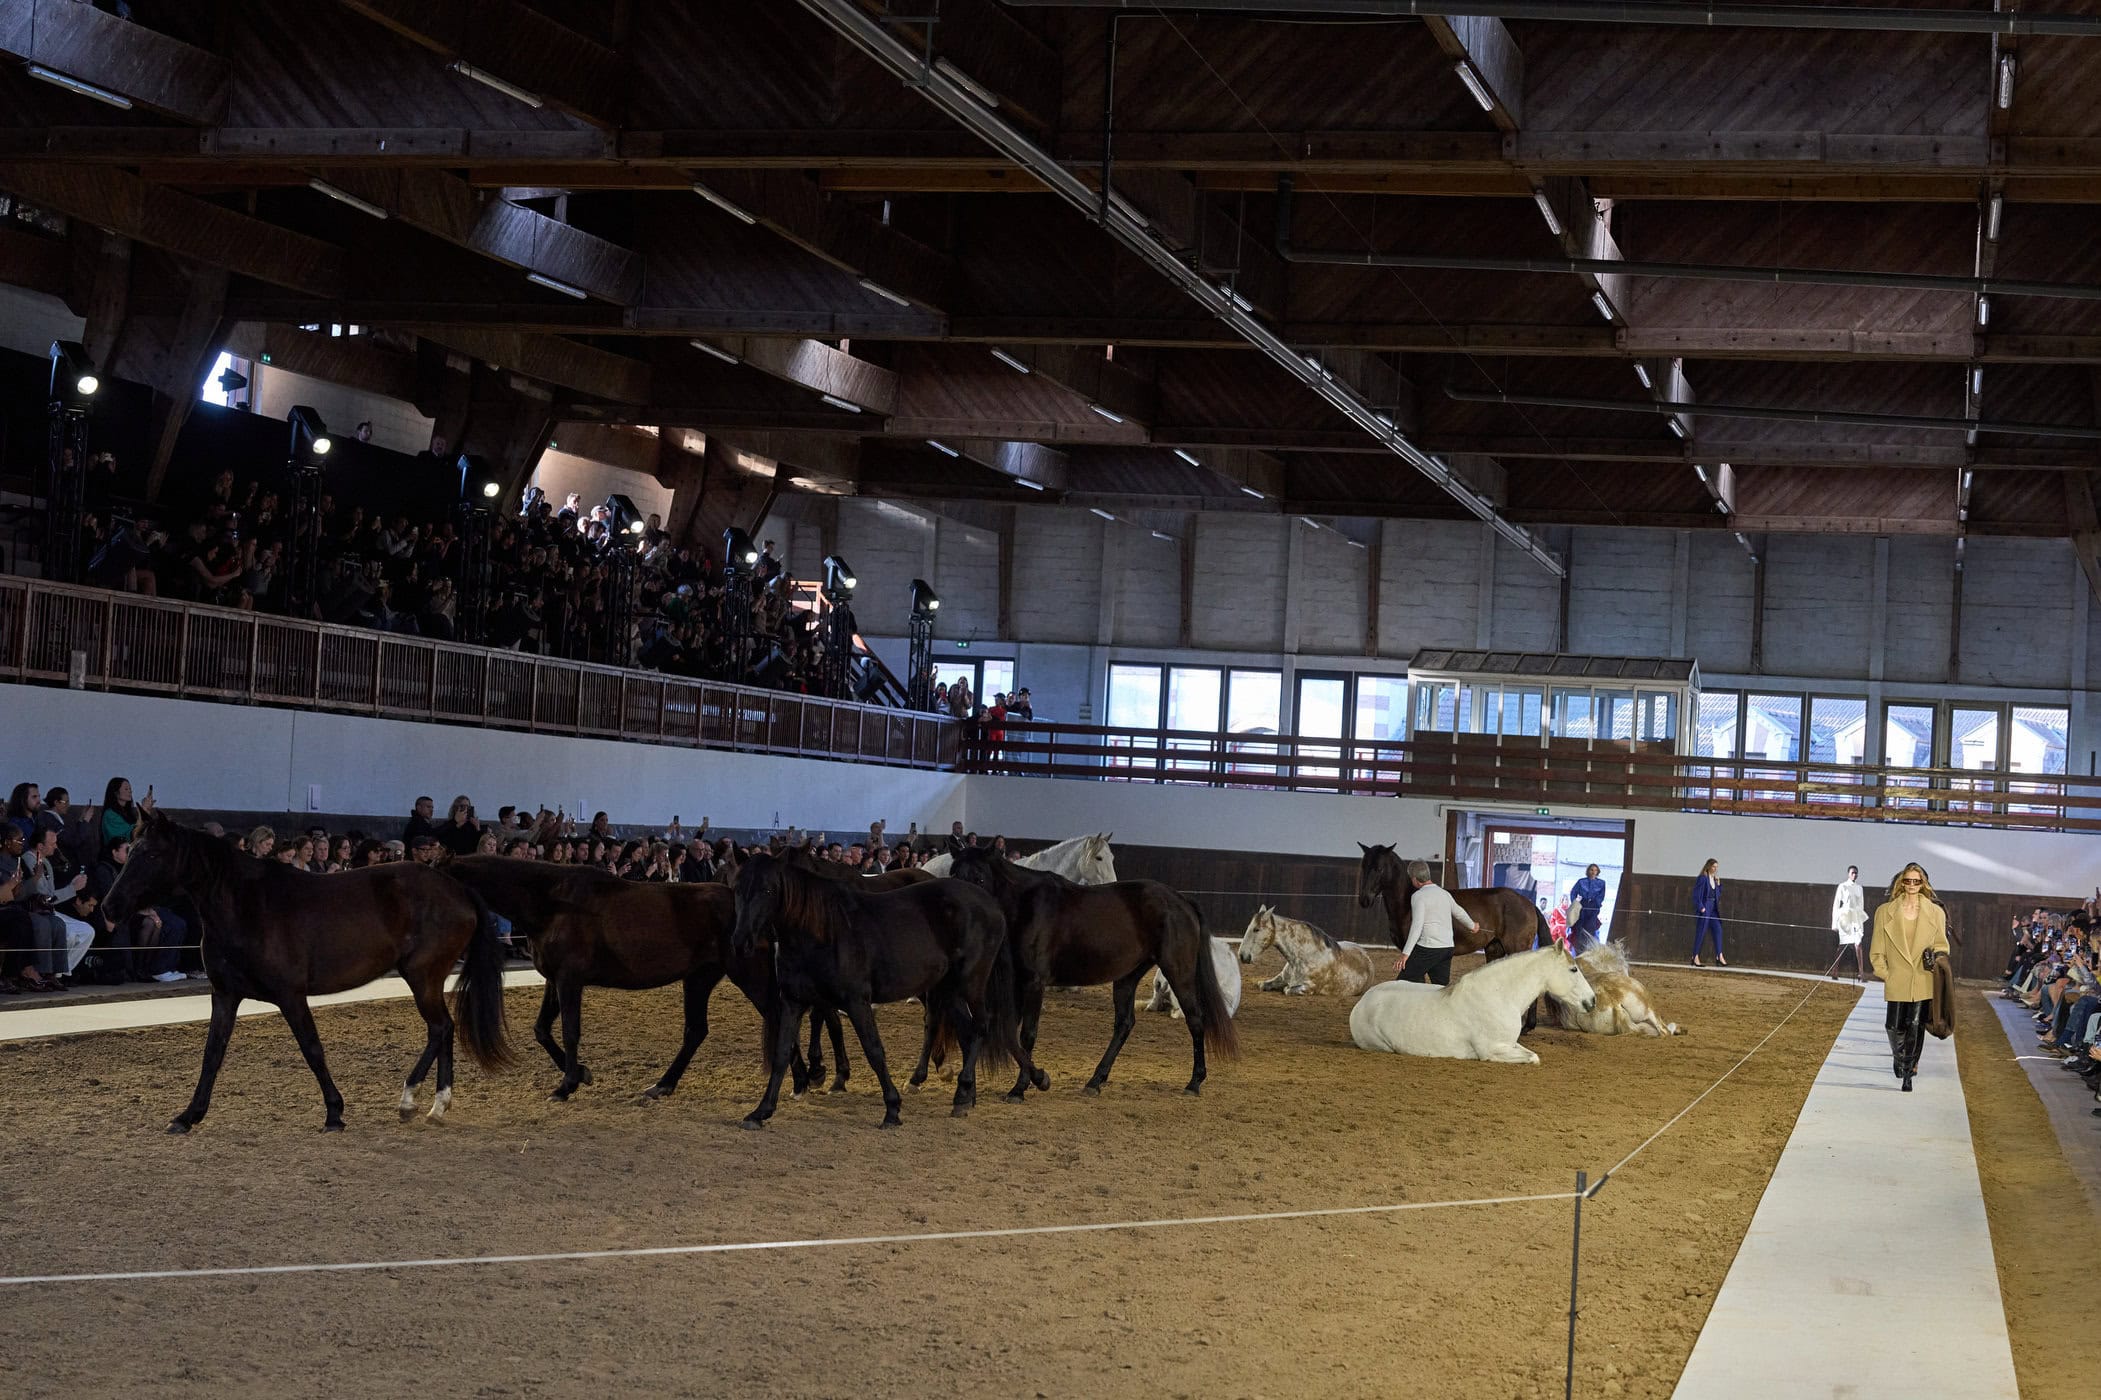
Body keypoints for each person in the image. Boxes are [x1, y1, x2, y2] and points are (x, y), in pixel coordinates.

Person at [1869, 862, 1951, 1093]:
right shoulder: (1885, 911)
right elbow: (1877, 947)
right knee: (1893, 1026)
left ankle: (1909, 1069)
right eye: (1908, 881)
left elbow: (1942, 945)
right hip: (1897, 975)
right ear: (1901, 882)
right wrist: (1884, 972)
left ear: (1923, 883)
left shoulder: (1935, 912)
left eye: (1917, 881)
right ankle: (1900, 1057)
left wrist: (1935, 960)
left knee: (1915, 1024)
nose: (1912, 885)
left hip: (1923, 975)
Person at [1394, 859, 1475, 987]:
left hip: (1429, 948)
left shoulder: (1418, 896)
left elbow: (1417, 926)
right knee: (1440, 988)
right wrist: (1472, 925)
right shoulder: (1444, 893)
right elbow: (1459, 912)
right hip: (1447, 948)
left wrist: (1405, 954)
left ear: (1415, 879)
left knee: (1402, 983)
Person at [99, 777, 153, 857]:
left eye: (130, 789)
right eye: (126, 789)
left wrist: (146, 811)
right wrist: (143, 811)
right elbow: (131, 835)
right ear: (116, 793)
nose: (130, 791)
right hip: (115, 859)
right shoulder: (109, 814)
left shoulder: (128, 813)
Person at [1831, 864, 1868, 981]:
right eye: (1852, 873)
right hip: (1844, 918)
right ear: (1848, 874)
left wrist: (1861, 924)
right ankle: (1835, 971)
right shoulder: (1842, 886)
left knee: (1858, 944)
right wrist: (1834, 923)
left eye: (1856, 873)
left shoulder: (1859, 888)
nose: (1854, 875)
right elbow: (1836, 904)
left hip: (1856, 918)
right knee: (1842, 946)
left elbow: (1861, 905)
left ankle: (1861, 973)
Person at [1690, 857, 1725, 967]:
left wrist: (1719, 886)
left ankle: (1719, 955)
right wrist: (1701, 907)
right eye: (1713, 867)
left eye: (1716, 867)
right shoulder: (1703, 878)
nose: (1715, 869)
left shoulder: (1714, 880)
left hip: (1714, 908)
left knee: (1718, 929)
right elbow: (1696, 894)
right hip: (1706, 907)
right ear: (1708, 866)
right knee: (1701, 931)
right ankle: (1695, 956)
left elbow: (1717, 896)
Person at [1567, 863, 1607, 950]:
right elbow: (1573, 892)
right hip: (1582, 905)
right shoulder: (1581, 881)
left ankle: (1589, 948)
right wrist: (1575, 903)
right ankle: (1578, 948)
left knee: (1590, 927)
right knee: (1579, 926)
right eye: (1591, 870)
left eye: (1595, 870)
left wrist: (1597, 904)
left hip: (1593, 906)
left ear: (1598, 872)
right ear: (1588, 871)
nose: (1593, 872)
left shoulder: (1601, 883)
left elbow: (1601, 895)